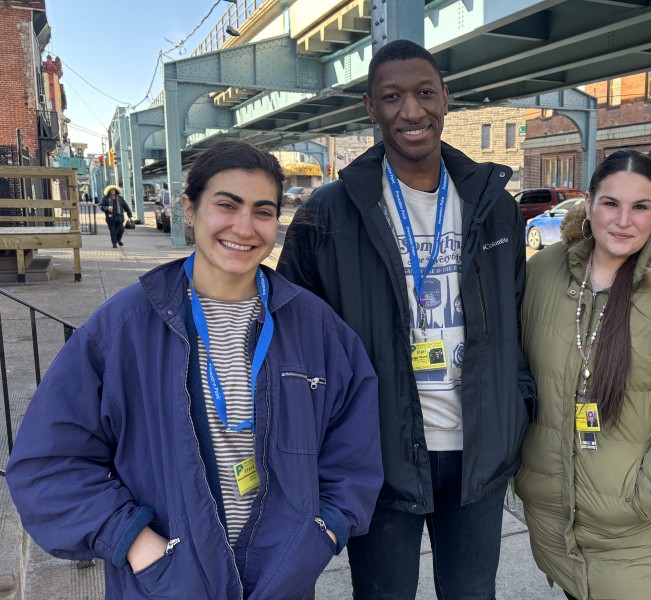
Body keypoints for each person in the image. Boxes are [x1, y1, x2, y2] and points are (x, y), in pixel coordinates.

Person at [7, 140, 383, 600]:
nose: (244, 227)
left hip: (282, 583)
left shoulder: (318, 329)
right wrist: (137, 543)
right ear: (190, 208)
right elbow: (46, 465)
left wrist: (320, 533)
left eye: (263, 211)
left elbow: (354, 453)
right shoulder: (123, 329)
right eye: (227, 205)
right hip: (167, 584)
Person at [277, 39, 535, 599]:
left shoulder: (495, 207)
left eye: (424, 93)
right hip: (380, 457)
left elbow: (517, 321)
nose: (411, 111)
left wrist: (517, 408)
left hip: (478, 456)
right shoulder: (329, 214)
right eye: (392, 97)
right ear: (371, 107)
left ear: (446, 97)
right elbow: (291, 339)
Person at [516, 149, 651, 600]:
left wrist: (646, 496)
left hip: (646, 539)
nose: (623, 221)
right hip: (561, 530)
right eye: (611, 203)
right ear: (589, 204)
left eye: (640, 207)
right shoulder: (542, 273)